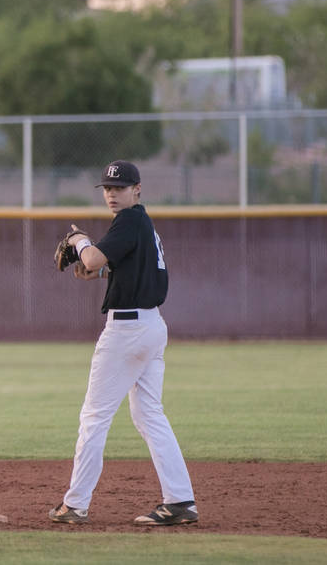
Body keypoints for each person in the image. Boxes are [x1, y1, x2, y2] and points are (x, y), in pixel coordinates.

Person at [48, 160, 198, 527]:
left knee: (94, 417)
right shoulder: (143, 225)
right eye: (107, 189)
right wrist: (100, 271)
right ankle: (180, 501)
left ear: (137, 189)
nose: (112, 194)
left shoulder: (129, 221)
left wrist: (78, 240)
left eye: (120, 187)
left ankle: (75, 505)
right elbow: (114, 267)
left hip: (127, 332)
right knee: (149, 414)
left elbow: (95, 255)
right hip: (150, 327)